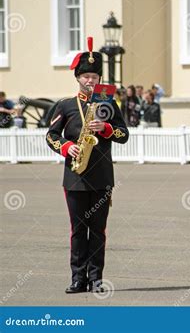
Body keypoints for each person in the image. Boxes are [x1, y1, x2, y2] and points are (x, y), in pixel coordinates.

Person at [45, 37, 129, 294]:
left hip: (102, 176)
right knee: (78, 230)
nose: (90, 81)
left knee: (99, 231)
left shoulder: (108, 103)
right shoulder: (66, 105)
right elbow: (51, 135)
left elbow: (123, 135)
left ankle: (96, 278)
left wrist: (106, 128)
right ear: (78, 78)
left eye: (94, 76)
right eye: (86, 76)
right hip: (75, 176)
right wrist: (66, 147)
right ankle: (77, 278)